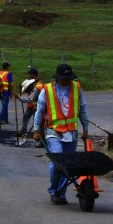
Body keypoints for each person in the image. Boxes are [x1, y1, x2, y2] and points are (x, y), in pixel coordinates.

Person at [33, 63, 89, 205]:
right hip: (53, 131)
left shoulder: (76, 87)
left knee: (68, 164)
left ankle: (61, 193)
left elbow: (82, 109)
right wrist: (36, 130)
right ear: (58, 77)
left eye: (69, 77)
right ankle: (54, 191)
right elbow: (39, 111)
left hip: (72, 132)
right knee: (57, 161)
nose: (67, 80)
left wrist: (86, 128)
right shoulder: (47, 90)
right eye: (64, 78)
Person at [14, 67, 43, 137]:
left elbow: (31, 98)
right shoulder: (32, 83)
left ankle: (41, 137)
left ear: (33, 75)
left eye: (30, 74)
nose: (29, 76)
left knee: (37, 121)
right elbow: (29, 91)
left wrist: (19, 97)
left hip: (37, 106)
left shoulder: (38, 85)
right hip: (32, 105)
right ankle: (23, 131)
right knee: (25, 117)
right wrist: (21, 88)